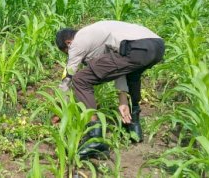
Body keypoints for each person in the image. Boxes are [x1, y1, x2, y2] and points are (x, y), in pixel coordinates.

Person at [55, 21, 165, 159]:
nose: (70, 54)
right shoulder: (97, 35)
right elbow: (119, 68)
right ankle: (133, 126)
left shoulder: (77, 41)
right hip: (156, 46)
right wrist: (122, 99)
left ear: (68, 43)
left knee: (80, 79)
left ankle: (94, 137)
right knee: (133, 75)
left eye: (67, 52)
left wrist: (60, 105)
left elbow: (69, 74)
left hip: (135, 47)